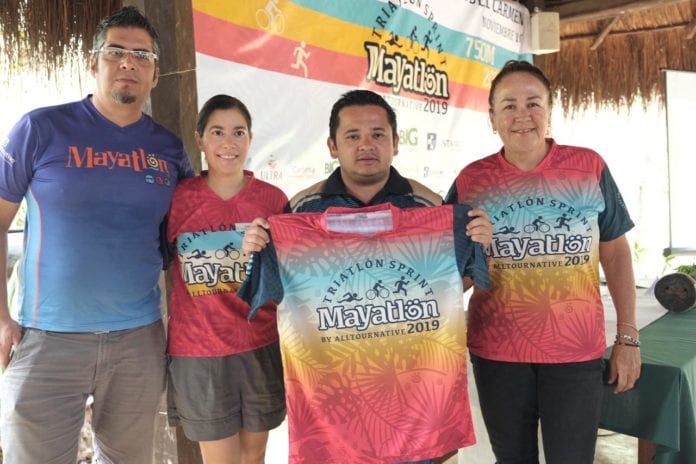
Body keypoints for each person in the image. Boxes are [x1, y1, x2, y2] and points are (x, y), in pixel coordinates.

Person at [241, 89, 493, 464]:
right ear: (332, 146)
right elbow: (281, 294)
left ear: (395, 142)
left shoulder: (429, 208)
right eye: (353, 136)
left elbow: (451, 289)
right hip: (336, 416)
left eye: (377, 134)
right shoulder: (301, 212)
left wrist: (478, 241)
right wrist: (259, 246)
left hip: (416, 409)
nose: (366, 145)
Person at [0, 6, 193, 463]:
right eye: (115, 51)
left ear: (155, 74)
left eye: (142, 55)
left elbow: (191, 233)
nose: (128, 62)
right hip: (47, 339)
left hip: (138, 339)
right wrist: (2, 319)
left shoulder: (168, 149)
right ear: (93, 63)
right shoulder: (41, 128)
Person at [445, 60, 641, 464]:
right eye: (509, 106)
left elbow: (616, 251)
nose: (522, 116)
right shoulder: (471, 181)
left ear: (550, 110)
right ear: (492, 118)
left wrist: (628, 337)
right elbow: (449, 277)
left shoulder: (588, 167)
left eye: (533, 103)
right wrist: (477, 253)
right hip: (497, 353)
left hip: (575, 352)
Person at [166, 95, 287, 464]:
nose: (228, 143)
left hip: (259, 343)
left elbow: (292, 275)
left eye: (239, 132)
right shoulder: (177, 199)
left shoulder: (273, 200)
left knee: (254, 457)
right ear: (200, 139)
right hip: (199, 351)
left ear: (250, 139)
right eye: (217, 132)